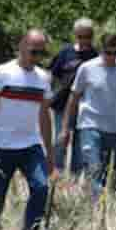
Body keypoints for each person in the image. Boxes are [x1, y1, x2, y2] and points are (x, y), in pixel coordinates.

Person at [0, 29, 56, 230]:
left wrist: (49, 152)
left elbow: (45, 115)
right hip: (1, 145)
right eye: (33, 51)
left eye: (41, 53)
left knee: (41, 188)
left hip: (31, 145)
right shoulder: (3, 73)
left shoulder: (43, 78)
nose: (36, 57)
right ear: (21, 46)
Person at [60, 32, 116, 202]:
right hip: (89, 126)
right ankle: (95, 208)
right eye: (108, 53)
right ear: (101, 50)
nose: (111, 57)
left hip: (114, 129)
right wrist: (65, 128)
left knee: (112, 174)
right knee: (94, 168)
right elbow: (73, 98)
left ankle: (98, 207)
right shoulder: (87, 68)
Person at [49, 18, 97, 174]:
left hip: (84, 107)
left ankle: (75, 180)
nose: (84, 40)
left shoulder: (95, 55)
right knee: (60, 141)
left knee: (79, 146)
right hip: (62, 105)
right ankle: (57, 175)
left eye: (88, 36)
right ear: (75, 35)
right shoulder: (65, 52)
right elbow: (53, 75)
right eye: (80, 36)